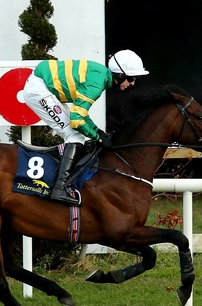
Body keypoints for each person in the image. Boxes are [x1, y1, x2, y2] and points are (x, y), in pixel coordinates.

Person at [23, 49, 149, 204]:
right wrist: (98, 138)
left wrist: (98, 132)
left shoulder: (100, 75)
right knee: (74, 135)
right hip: (39, 90)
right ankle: (59, 188)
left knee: (77, 136)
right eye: (132, 78)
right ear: (120, 75)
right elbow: (76, 120)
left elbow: (80, 114)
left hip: (42, 85)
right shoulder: (96, 83)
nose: (133, 83)